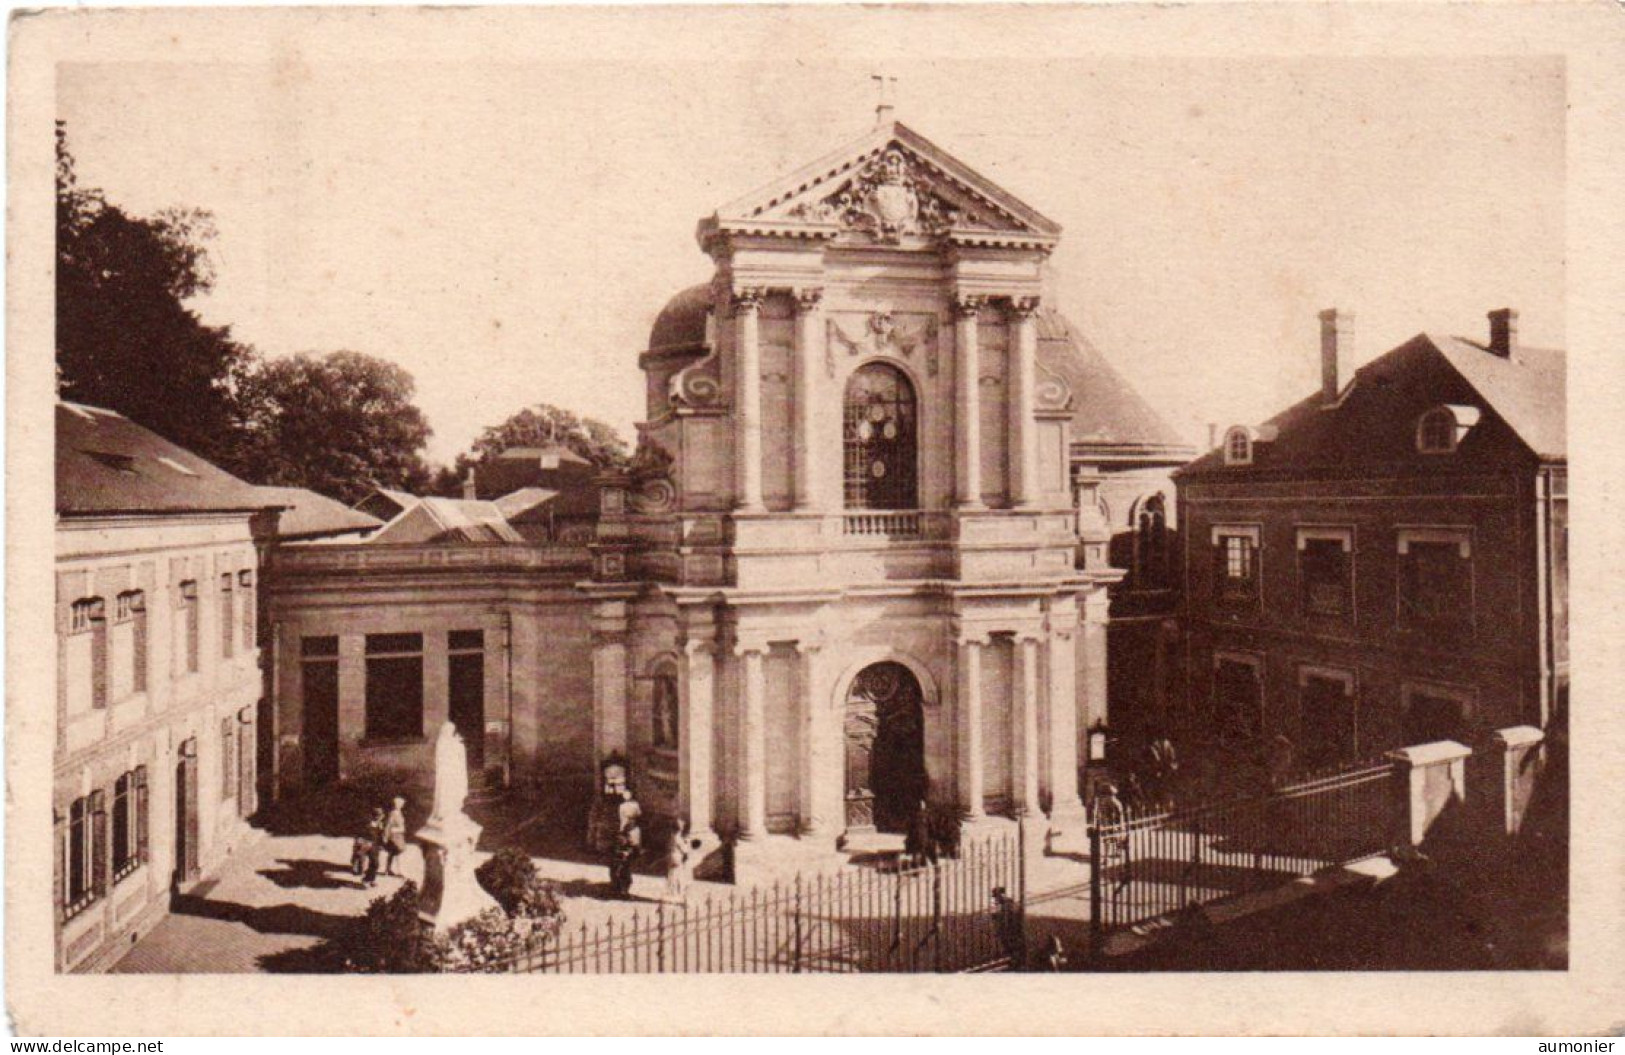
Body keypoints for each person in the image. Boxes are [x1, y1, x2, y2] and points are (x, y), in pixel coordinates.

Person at [990, 886, 1026, 971]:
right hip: (1009, 930)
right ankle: (1012, 962)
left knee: (1011, 947)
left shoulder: (1007, 904)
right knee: (1009, 948)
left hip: (1011, 930)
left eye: (996, 896)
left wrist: (996, 917)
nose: (995, 899)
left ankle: (1014, 964)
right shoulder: (1006, 903)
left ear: (1001, 895)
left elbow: (1007, 917)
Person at [664, 820, 693, 905]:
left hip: (671, 856)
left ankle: (671, 894)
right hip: (677, 857)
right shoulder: (678, 837)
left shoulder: (671, 836)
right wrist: (687, 843)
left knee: (672, 875)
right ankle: (675, 896)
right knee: (677, 877)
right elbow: (684, 850)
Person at [382, 796, 408, 877]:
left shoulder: (398, 813)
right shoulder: (394, 813)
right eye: (400, 804)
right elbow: (388, 825)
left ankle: (388, 869)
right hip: (394, 836)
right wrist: (386, 836)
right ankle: (399, 871)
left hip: (398, 836)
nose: (402, 805)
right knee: (397, 852)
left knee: (392, 853)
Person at [361, 807, 386, 888]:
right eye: (379, 816)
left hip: (376, 846)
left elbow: (380, 836)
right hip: (368, 845)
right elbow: (365, 835)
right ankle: (366, 879)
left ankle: (372, 879)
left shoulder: (379, 825)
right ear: (375, 816)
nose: (381, 818)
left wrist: (381, 845)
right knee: (375, 863)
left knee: (375, 863)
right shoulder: (368, 824)